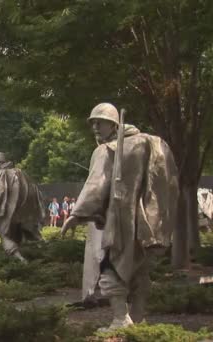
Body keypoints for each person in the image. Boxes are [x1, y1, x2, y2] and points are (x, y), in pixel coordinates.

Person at [61, 103, 178, 331]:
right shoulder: (150, 143)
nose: (95, 127)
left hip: (121, 224)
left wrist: (77, 214)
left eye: (99, 122)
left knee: (110, 268)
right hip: (149, 225)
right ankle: (138, 317)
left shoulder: (106, 150)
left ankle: (120, 319)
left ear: (114, 124)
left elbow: (96, 185)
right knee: (139, 271)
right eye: (92, 122)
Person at [0, 152, 45, 263]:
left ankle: (20, 258)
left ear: (0, 163)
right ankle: (42, 248)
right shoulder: (21, 173)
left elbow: (0, 189)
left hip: (6, 212)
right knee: (23, 232)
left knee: (3, 233)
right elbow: (34, 190)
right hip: (21, 211)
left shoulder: (0, 173)